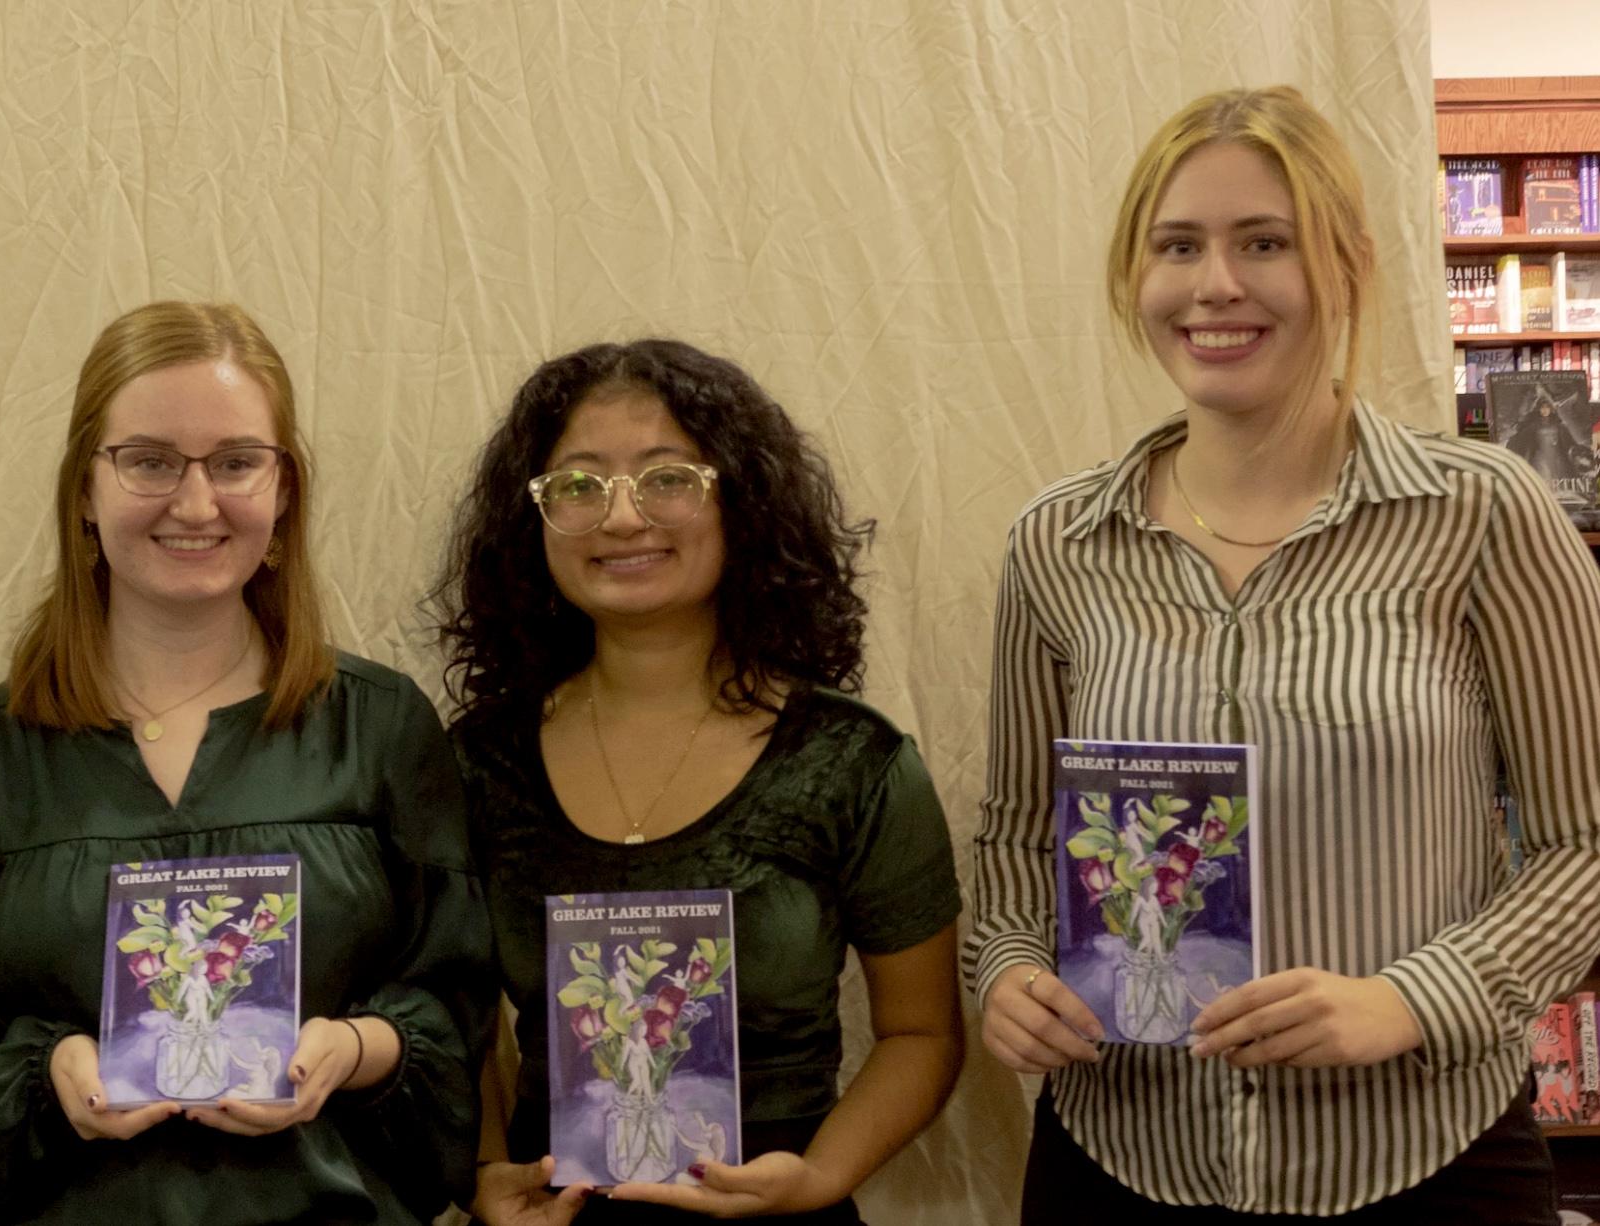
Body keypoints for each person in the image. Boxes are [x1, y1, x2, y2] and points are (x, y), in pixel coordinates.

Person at [965, 85, 1600, 1223]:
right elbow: (1017, 831)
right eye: (1178, 246)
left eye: (1265, 242)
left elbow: (1584, 844)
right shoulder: (1057, 542)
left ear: (1347, 268)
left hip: (1421, 1157)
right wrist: (1008, 967)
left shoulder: (1482, 512)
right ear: (1134, 278)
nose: (1216, 283)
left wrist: (1412, 999)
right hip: (1122, 1159)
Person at [0, 301, 488, 1224]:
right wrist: (49, 1075)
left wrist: (357, 1049)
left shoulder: (383, 729)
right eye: (150, 460)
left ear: (285, 493)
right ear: (86, 488)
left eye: (237, 462)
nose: (195, 503)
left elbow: (464, 1002)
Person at [437, 340, 964, 1224]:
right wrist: (489, 1165)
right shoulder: (478, 760)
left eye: (666, 478)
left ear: (742, 503)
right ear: (533, 523)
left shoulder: (849, 759)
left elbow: (923, 1033)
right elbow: (459, 1018)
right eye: (579, 486)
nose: (621, 517)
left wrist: (821, 1176)